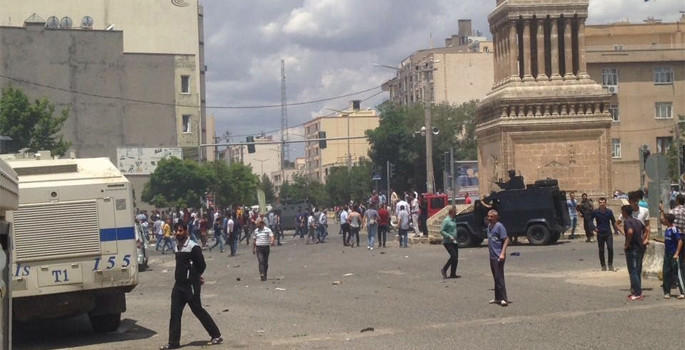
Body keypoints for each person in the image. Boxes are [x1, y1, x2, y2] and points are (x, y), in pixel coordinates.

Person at [159, 223, 222, 349]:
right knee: (175, 314)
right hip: (178, 286)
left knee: (197, 310)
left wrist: (195, 276)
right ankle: (173, 343)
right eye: (176, 231)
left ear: (186, 231)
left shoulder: (193, 247)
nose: (178, 233)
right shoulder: (177, 247)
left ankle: (216, 335)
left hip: (190, 286)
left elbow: (202, 265)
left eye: (180, 231)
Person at [622, 205, 645, 301]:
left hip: (632, 249)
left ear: (625, 212)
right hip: (640, 247)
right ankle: (637, 290)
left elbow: (630, 232)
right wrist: (643, 239)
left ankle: (637, 292)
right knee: (637, 270)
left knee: (633, 270)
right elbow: (646, 229)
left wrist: (627, 244)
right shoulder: (637, 221)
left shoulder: (627, 221)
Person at [591, 197, 621, 271]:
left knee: (610, 248)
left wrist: (616, 230)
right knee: (601, 250)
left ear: (605, 203)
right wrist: (594, 228)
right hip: (600, 233)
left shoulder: (609, 212)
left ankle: (610, 264)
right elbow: (590, 221)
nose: (602, 204)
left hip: (608, 232)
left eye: (603, 202)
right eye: (600, 202)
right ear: (599, 203)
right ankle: (603, 265)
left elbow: (613, 221)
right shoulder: (595, 212)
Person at [487, 210, 509, 307]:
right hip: (492, 256)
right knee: (495, 277)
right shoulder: (489, 227)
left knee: (499, 277)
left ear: (496, 217)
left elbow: (506, 240)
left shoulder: (500, 226)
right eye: (488, 216)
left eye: (491, 217)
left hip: (498, 256)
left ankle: (504, 298)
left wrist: (502, 253)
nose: (489, 218)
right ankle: (497, 298)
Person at [661, 213, 685, 299]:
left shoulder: (674, 230)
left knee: (678, 273)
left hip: (673, 254)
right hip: (667, 254)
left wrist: (677, 253)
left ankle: (683, 291)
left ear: (667, 220)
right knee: (666, 272)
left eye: (664, 219)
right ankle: (667, 292)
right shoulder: (667, 229)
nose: (663, 220)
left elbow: (680, 241)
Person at [439, 206, 460, 279]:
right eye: (455, 212)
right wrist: (449, 236)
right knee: (453, 256)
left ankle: (453, 274)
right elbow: (441, 230)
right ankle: (444, 269)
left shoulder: (454, 219)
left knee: (456, 258)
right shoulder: (446, 220)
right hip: (448, 242)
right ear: (452, 212)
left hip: (454, 241)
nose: (456, 213)